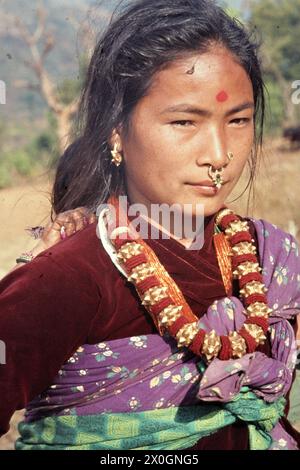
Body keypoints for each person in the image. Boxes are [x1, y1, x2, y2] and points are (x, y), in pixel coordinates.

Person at [0, 0, 299, 451]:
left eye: (237, 120)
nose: (218, 156)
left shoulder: (269, 257)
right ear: (116, 131)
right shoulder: (64, 278)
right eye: (184, 121)